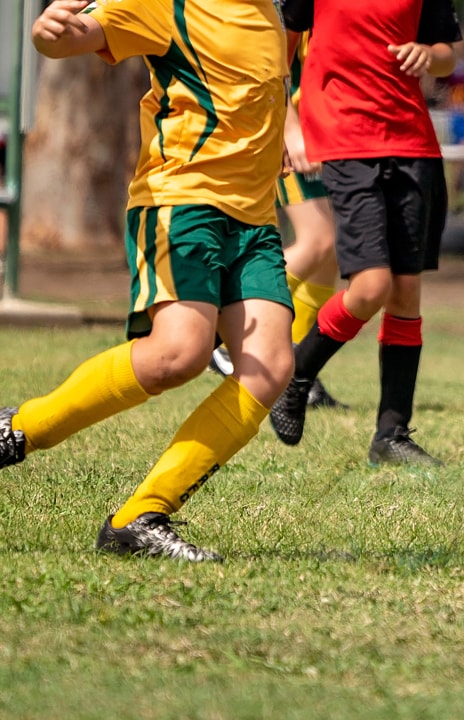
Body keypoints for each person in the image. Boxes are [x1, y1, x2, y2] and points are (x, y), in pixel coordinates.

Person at [2, 0, 295, 561]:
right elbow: (80, 35)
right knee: (176, 355)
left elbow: (261, 87)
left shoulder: (272, 12)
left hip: (254, 220)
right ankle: (19, 428)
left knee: (271, 368)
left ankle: (141, 517)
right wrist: (49, 36)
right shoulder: (168, 4)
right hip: (181, 205)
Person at [268, 0, 461, 466]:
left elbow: (448, 53)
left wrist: (428, 56)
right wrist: (288, 127)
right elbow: (277, 51)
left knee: (406, 290)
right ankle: (296, 374)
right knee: (372, 285)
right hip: (343, 137)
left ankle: (391, 434)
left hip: (412, 142)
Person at [209, 29, 347, 412]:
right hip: (292, 130)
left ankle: (298, 372)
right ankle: (221, 338)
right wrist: (290, 129)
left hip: (323, 130)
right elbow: (271, 61)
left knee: (329, 254)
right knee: (318, 240)